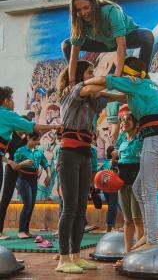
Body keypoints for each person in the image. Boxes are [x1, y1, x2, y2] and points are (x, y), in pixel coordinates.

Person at [81, 56, 158, 251]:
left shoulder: (134, 82)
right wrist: (107, 95)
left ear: (128, 74)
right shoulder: (148, 85)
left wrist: (81, 84)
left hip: (154, 140)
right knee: (138, 188)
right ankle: (149, 235)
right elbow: (125, 98)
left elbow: (103, 80)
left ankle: (151, 240)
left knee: (148, 193)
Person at [55, 60, 106, 274]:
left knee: (81, 209)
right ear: (77, 75)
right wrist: (113, 80)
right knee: (70, 207)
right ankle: (63, 258)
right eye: (89, 71)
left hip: (85, 154)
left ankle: (76, 255)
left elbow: (102, 92)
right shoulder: (72, 91)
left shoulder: (89, 101)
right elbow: (99, 85)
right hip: (69, 154)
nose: (93, 74)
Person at [62, 0, 154, 83]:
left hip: (125, 38)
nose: (83, 13)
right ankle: (78, 79)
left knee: (147, 36)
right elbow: (74, 54)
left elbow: (121, 45)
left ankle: (143, 77)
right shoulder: (79, 21)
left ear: (94, 4)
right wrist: (72, 82)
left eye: (86, 8)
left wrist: (117, 75)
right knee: (66, 45)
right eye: (79, 10)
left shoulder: (111, 12)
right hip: (103, 42)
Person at [0, 86, 61, 207]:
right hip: (14, 171)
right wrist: (54, 126)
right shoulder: (7, 115)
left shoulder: (22, 139)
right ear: (6, 101)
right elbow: (33, 126)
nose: (13, 102)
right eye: (11, 99)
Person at [14, 131, 50, 239]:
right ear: (29, 138)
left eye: (38, 140)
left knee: (32, 205)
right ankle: (21, 231)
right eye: (35, 140)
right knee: (27, 204)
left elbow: (45, 163)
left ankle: (26, 230)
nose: (37, 142)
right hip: (23, 179)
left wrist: (48, 174)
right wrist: (23, 163)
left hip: (34, 180)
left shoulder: (38, 152)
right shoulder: (20, 151)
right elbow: (14, 166)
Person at [117, 112, 143, 253]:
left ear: (136, 124)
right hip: (122, 183)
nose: (124, 122)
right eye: (122, 120)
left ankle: (138, 253)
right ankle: (127, 253)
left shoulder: (141, 139)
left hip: (137, 183)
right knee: (127, 220)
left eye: (128, 119)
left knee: (137, 219)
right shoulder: (121, 141)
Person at [0, 126, 27, 240]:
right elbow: (2, 155)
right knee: (5, 199)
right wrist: (10, 162)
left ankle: (24, 230)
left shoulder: (25, 139)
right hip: (11, 170)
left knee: (28, 201)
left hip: (23, 171)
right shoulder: (10, 137)